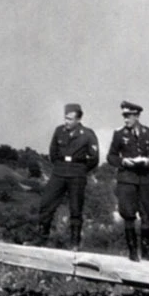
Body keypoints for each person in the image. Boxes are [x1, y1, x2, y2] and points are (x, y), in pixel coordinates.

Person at [38, 103, 100, 250]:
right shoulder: (59, 131)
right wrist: (59, 166)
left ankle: (75, 243)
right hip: (59, 172)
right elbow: (53, 152)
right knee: (46, 204)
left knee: (75, 209)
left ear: (78, 120)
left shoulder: (87, 134)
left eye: (70, 119)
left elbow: (94, 159)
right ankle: (41, 238)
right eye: (66, 118)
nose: (67, 122)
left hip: (77, 174)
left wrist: (81, 170)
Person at [107, 100, 149, 261]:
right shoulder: (119, 134)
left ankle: (146, 251)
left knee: (147, 215)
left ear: (137, 116)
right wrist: (122, 161)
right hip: (126, 180)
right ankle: (132, 252)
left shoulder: (148, 133)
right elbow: (111, 156)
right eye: (124, 116)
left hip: (144, 180)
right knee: (128, 215)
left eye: (128, 116)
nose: (125, 120)